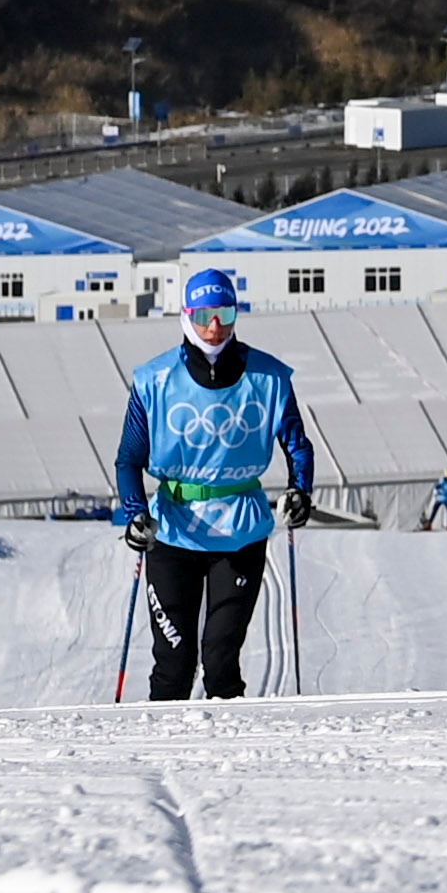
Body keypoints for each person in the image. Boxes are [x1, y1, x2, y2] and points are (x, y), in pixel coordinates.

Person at [114, 267, 316, 701]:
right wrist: (136, 515)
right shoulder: (154, 380)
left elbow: (298, 445)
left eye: (224, 312)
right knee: (174, 662)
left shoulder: (269, 378)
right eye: (205, 313)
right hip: (172, 532)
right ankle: (158, 757)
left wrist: (301, 490)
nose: (214, 325)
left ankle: (226, 763)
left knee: (221, 659)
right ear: (187, 314)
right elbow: (129, 459)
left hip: (239, 532)